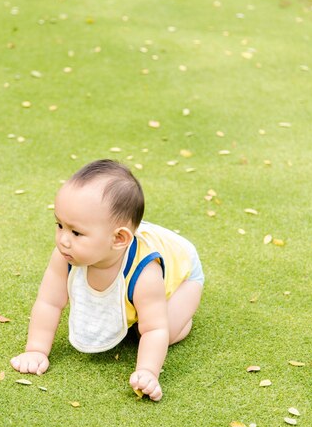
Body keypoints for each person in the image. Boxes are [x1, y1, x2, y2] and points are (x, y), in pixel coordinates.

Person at [10, 159, 204, 401]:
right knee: (139, 321)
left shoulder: (146, 273)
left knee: (165, 330)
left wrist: (147, 372)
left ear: (119, 239)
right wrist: (36, 350)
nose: (63, 240)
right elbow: (49, 302)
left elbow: (155, 329)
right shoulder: (65, 256)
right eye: (60, 225)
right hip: (118, 247)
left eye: (76, 232)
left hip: (185, 273)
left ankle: (182, 317)